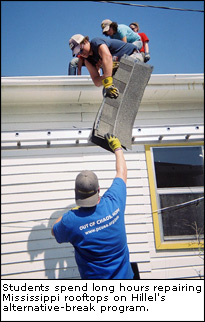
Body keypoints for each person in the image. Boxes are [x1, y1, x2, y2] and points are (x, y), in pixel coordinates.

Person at [51, 133, 134, 279]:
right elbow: (122, 172)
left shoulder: (71, 220)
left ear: (76, 193)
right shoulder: (113, 202)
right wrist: (117, 148)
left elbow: (54, 231)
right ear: (98, 190)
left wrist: (70, 214)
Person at [69, 33, 143, 99]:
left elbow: (107, 56)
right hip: (121, 68)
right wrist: (105, 77)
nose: (81, 54)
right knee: (107, 93)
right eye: (78, 53)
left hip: (133, 57)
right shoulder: (88, 61)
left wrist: (107, 80)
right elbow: (96, 81)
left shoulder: (96, 42)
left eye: (80, 50)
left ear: (85, 41)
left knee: (112, 79)